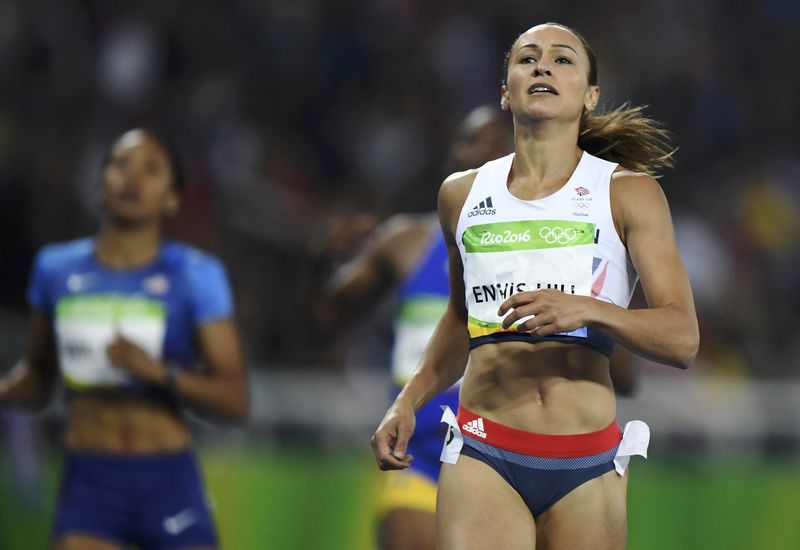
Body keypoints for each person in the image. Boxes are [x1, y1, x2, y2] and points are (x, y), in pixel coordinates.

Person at [371, 22, 699, 550]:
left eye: (563, 60)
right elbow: (460, 317)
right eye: (527, 59)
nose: (543, 66)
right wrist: (407, 401)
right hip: (485, 450)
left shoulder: (628, 193)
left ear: (590, 96)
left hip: (586, 465)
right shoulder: (460, 195)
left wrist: (587, 310)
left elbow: (681, 337)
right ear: (505, 90)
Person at [0, 129, 248, 550]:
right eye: (120, 165)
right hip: (90, 481)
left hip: (167, 479)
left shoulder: (194, 274)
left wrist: (160, 373)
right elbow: (39, 381)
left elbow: (235, 400)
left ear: (172, 198)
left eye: (151, 169)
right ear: (100, 185)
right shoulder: (56, 269)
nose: (132, 178)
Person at [323, 106, 512, 550]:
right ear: (451, 157)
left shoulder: (543, 252)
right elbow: (326, 318)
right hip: (419, 457)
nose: (483, 154)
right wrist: (321, 260)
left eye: (500, 146)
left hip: (502, 459)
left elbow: (621, 375)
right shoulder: (405, 243)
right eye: (471, 141)